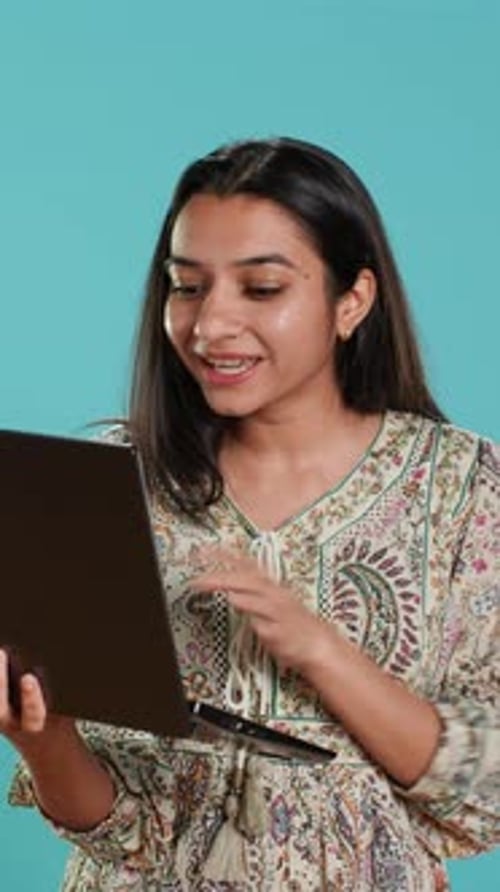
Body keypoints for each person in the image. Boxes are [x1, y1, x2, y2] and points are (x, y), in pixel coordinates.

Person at [2, 137, 500, 891]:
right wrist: (43, 739)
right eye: (187, 286)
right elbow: (115, 830)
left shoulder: (461, 486)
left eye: (261, 289)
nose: (209, 327)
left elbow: (485, 793)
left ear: (352, 300)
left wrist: (321, 651)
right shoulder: (110, 478)